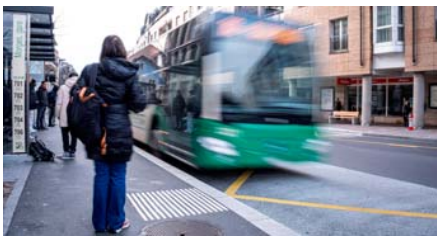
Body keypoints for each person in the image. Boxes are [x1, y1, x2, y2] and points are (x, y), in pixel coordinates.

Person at [79, 35, 146, 234]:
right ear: (122, 51)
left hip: (97, 130)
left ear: (104, 50)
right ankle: (116, 222)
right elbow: (139, 104)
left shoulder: (92, 71)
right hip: (120, 131)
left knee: (101, 175)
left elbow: (78, 94)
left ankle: (99, 223)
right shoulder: (129, 73)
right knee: (117, 176)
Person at [56, 72, 78, 159]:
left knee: (65, 134)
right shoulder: (81, 87)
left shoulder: (63, 88)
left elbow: (59, 103)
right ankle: (72, 152)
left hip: (64, 114)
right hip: (76, 115)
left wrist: (58, 114)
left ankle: (66, 152)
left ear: (69, 78)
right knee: (74, 135)